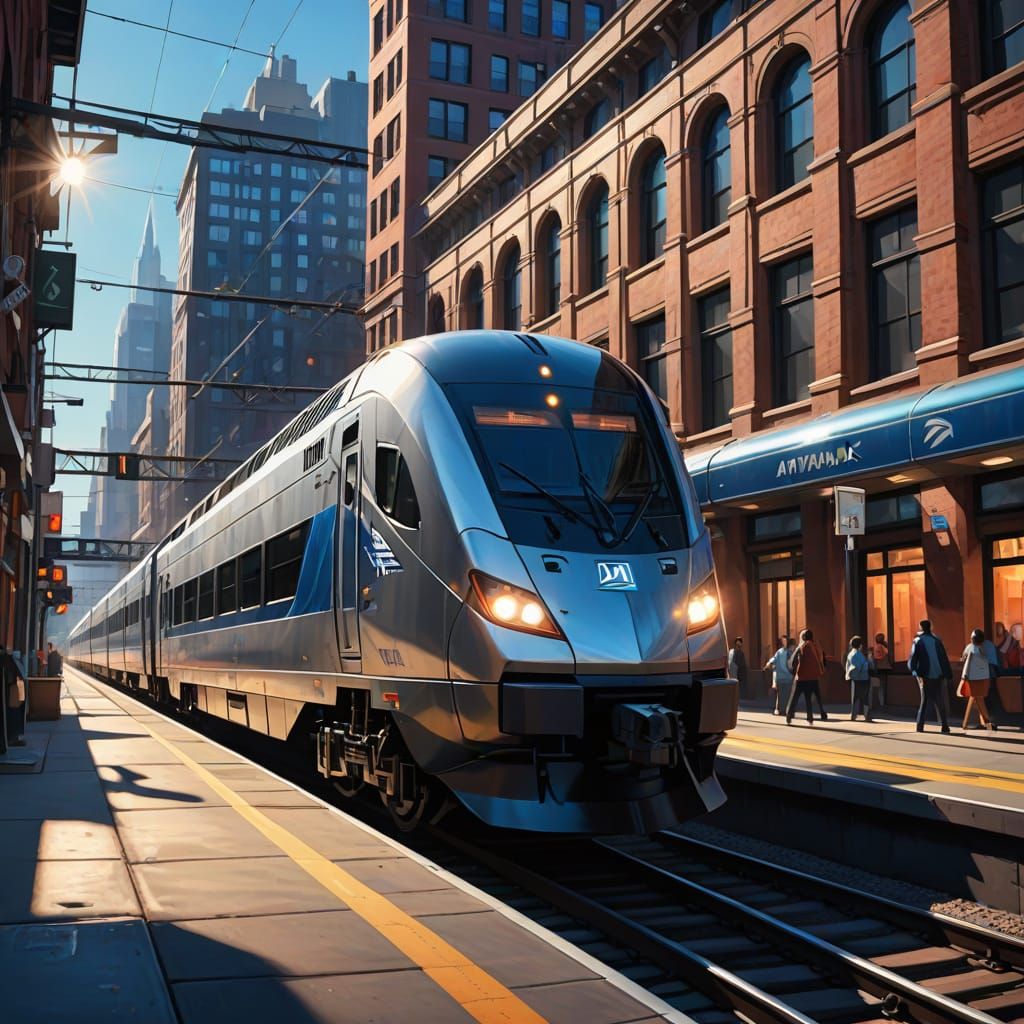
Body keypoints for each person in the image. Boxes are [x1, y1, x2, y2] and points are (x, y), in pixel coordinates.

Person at [908, 619, 952, 734]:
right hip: (938, 673)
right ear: (930, 627)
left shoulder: (917, 640)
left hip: (924, 673)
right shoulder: (937, 640)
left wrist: (913, 670)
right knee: (939, 699)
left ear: (920, 628)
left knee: (924, 700)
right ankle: (945, 725)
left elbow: (913, 659)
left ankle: (920, 726)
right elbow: (943, 657)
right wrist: (947, 673)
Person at [786, 628, 826, 726]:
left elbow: (792, 662)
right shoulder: (816, 647)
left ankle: (789, 716)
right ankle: (810, 718)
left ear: (803, 637)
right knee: (809, 698)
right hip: (813, 677)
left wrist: (793, 672)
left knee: (794, 697)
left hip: (801, 677)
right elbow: (823, 660)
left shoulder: (801, 646)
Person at [960, 628, 995, 733]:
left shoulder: (969, 647)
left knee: (976, 699)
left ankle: (985, 723)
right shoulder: (986, 648)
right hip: (984, 677)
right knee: (977, 699)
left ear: (972, 639)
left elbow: (964, 659)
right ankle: (984, 724)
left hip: (972, 678)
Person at [765, 636, 794, 716]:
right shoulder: (779, 652)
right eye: (782, 641)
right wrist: (768, 663)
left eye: (785, 641)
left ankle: (786, 710)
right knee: (780, 695)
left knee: (787, 694)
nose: (784, 642)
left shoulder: (790, 652)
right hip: (780, 677)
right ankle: (781, 710)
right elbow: (774, 659)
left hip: (788, 677)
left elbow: (793, 662)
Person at [846, 636, 872, 721]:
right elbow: (863, 666)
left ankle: (853, 715)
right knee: (865, 697)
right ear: (860, 645)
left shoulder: (850, 654)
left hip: (854, 678)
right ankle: (867, 715)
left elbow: (848, 665)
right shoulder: (859, 654)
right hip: (863, 678)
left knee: (855, 697)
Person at [870, 633, 891, 708]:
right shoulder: (884, 647)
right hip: (884, 668)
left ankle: (881, 702)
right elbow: (881, 656)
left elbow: (877, 657)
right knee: (882, 686)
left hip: (880, 668)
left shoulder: (878, 647)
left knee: (880, 686)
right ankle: (882, 702)